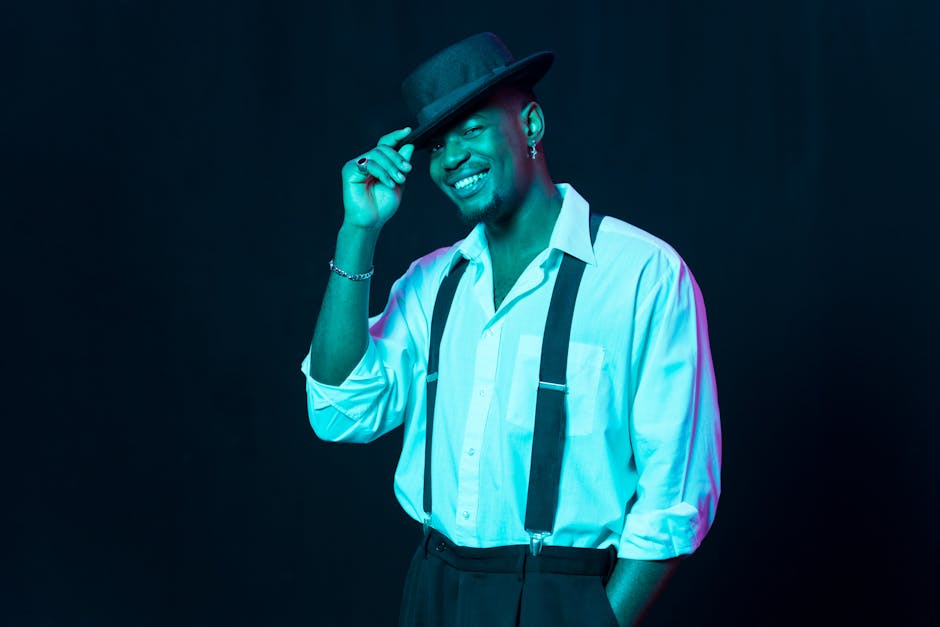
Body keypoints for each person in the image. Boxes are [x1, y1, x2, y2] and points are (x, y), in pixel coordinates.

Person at [301, 32, 721, 627]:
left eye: (472, 129)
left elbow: (674, 496)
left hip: (564, 597)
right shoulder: (431, 283)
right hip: (435, 590)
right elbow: (340, 411)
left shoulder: (644, 276)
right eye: (437, 144)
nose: (451, 158)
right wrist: (358, 230)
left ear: (530, 125)